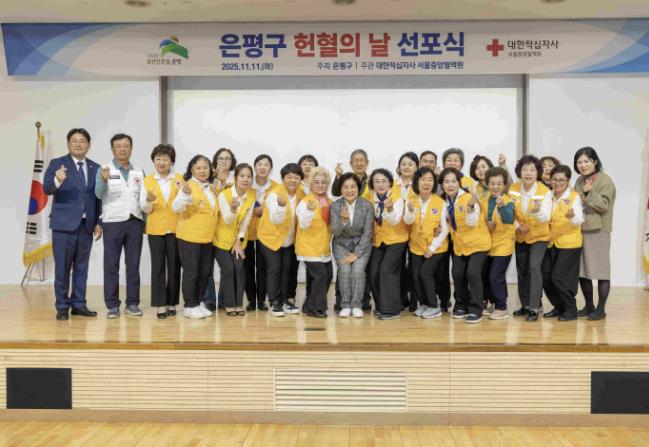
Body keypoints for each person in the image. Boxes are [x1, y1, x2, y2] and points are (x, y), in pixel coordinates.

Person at [44, 128, 102, 320]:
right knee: (62, 268)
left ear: (88, 145)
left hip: (86, 225)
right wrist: (57, 180)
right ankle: (62, 306)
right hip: (63, 226)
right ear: (68, 144)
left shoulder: (95, 167)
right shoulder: (57, 163)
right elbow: (47, 189)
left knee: (82, 267)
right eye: (74, 141)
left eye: (82, 141)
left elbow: (98, 197)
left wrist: (98, 221)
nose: (78, 144)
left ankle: (79, 304)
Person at [95, 133, 145, 319]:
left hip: (134, 222)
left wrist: (145, 223)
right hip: (112, 223)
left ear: (131, 148)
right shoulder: (104, 169)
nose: (122, 149)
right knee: (111, 265)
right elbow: (98, 195)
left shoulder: (139, 171)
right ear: (112, 149)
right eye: (118, 146)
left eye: (126, 146)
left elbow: (143, 198)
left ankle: (132, 303)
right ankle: (112, 305)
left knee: (133, 265)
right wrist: (103, 180)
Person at [439, 167, 491, 324]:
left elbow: (472, 222)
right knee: (457, 273)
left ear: (459, 183)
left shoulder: (468, 198)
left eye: (454, 181)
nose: (450, 185)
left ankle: (476, 309)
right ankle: (461, 304)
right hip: (460, 245)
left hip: (478, 243)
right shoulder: (444, 202)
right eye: (446, 182)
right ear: (441, 185)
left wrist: (470, 208)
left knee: (472, 273)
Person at [172, 155, 219, 319]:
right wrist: (185, 194)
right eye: (198, 168)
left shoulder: (210, 188)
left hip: (207, 238)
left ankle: (198, 302)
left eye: (205, 167)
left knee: (204, 272)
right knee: (191, 272)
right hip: (189, 237)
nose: (202, 171)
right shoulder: (188, 186)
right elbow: (176, 207)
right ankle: (189, 305)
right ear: (192, 169)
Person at [140, 144, 183, 319]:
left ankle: (172, 302)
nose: (161, 162)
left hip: (176, 229)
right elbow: (145, 209)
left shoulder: (179, 179)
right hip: (155, 229)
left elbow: (183, 203)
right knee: (157, 267)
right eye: (158, 159)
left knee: (174, 266)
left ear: (171, 161)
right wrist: (148, 201)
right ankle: (160, 304)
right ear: (153, 161)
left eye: (165, 159)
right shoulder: (147, 181)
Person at [257, 163, 305, 317]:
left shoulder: (301, 193)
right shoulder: (274, 194)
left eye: (296, 177)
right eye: (289, 177)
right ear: (283, 178)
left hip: (288, 239)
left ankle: (284, 300)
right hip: (269, 238)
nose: (293, 180)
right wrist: (281, 206)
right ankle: (274, 302)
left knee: (286, 269)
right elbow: (276, 219)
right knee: (275, 269)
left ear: (301, 180)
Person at [574, 147, 616, 320]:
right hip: (581, 229)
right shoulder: (579, 180)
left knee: (601, 270)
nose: (583, 165)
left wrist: (589, 192)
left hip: (599, 231)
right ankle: (589, 305)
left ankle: (601, 309)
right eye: (579, 162)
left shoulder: (605, 180)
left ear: (595, 162)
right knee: (583, 271)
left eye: (586, 161)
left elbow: (604, 205)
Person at [509, 155, 552, 322]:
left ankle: (535, 307)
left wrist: (537, 212)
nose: (528, 173)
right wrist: (517, 226)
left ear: (537, 172)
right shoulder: (513, 188)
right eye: (525, 169)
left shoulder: (544, 191)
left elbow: (546, 216)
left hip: (539, 236)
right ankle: (525, 305)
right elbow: (509, 212)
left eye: (532, 170)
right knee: (522, 271)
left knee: (534, 268)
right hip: (520, 235)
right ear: (519, 172)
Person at [403, 167, 449, 320]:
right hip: (416, 247)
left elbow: (445, 229)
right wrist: (410, 210)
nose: (427, 183)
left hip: (436, 248)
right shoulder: (411, 200)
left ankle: (434, 306)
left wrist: (432, 248)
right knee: (416, 276)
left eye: (430, 179)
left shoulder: (440, 203)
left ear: (434, 183)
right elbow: (407, 221)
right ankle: (424, 304)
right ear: (417, 182)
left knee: (425, 273)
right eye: (423, 179)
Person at [542, 164, 584, 322]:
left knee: (558, 277)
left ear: (568, 181)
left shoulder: (574, 197)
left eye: (561, 180)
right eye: (554, 179)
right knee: (545, 275)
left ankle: (570, 309)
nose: (557, 183)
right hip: (552, 242)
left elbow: (579, 220)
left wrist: (572, 216)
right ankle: (558, 307)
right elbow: (545, 216)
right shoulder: (548, 195)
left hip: (569, 243)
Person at [214, 164, 256, 316]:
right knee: (229, 270)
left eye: (249, 176)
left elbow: (246, 221)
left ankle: (238, 303)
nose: (245, 179)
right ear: (235, 178)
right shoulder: (224, 195)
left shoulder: (251, 196)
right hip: (220, 240)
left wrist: (239, 241)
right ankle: (229, 304)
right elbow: (227, 219)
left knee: (239, 268)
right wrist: (233, 209)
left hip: (237, 241)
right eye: (242, 176)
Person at [330, 172, 374, 318]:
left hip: (361, 244)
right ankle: (345, 305)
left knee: (357, 271)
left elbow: (368, 233)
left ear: (358, 188)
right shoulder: (335, 206)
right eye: (345, 187)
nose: (349, 190)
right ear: (340, 189)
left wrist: (357, 254)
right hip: (341, 244)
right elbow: (335, 231)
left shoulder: (366, 205)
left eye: (353, 187)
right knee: (344, 271)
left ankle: (356, 305)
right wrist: (343, 221)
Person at [367, 168, 409, 320]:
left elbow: (395, 220)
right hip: (378, 240)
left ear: (390, 183)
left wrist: (389, 209)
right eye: (376, 181)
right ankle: (381, 305)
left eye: (384, 181)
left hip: (396, 239)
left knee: (387, 270)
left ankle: (392, 309)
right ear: (372, 184)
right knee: (373, 272)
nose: (380, 184)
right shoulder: (369, 197)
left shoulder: (397, 197)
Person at [296, 166, 334, 318]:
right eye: (316, 182)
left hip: (323, 248)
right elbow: (304, 224)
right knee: (321, 275)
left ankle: (308, 305)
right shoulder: (305, 202)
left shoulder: (329, 202)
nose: (320, 185)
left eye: (323, 182)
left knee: (328, 275)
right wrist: (310, 211)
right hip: (308, 247)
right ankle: (316, 308)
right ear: (310, 184)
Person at [479, 167, 515, 320]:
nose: (496, 187)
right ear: (487, 184)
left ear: (504, 185)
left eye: (499, 184)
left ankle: (502, 307)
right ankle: (494, 302)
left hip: (504, 244)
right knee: (488, 275)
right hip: (488, 244)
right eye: (492, 183)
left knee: (495, 275)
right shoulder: (483, 200)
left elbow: (509, 219)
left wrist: (501, 206)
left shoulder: (508, 201)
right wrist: (488, 226)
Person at [204, 147, 237, 311]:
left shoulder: (236, 181)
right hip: (208, 229)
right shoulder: (208, 180)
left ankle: (224, 300)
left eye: (227, 158)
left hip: (227, 230)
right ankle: (209, 300)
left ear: (232, 162)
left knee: (227, 268)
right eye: (220, 158)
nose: (224, 161)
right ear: (215, 161)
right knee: (207, 267)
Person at [245, 154, 277, 311]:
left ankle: (261, 300)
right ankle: (251, 300)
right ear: (254, 167)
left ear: (271, 168)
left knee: (263, 267)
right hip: (247, 232)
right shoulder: (247, 184)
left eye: (266, 164)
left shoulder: (276, 187)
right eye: (259, 164)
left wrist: (264, 209)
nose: (262, 167)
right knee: (248, 267)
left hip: (266, 234)